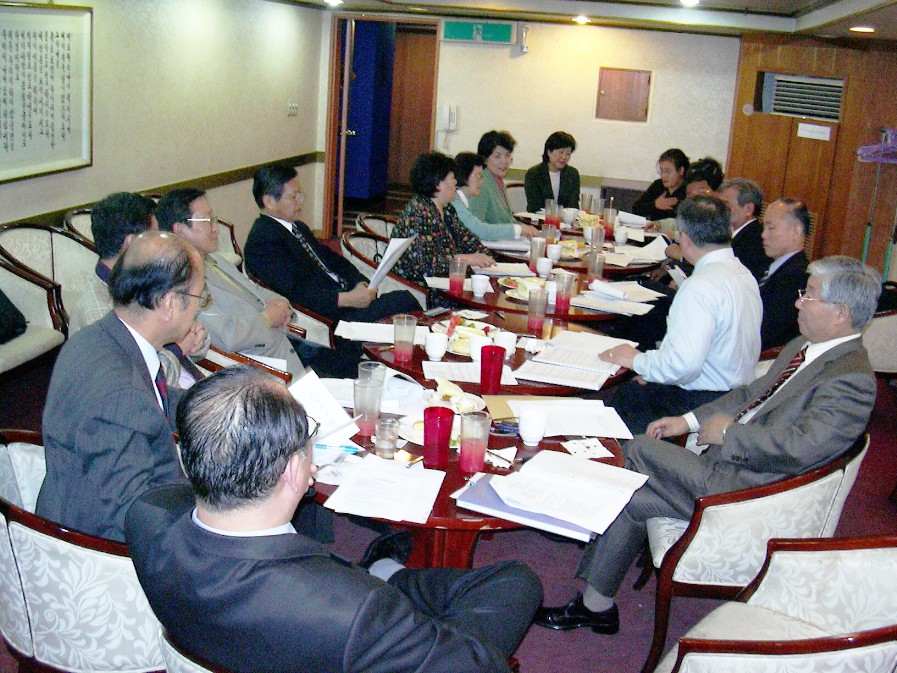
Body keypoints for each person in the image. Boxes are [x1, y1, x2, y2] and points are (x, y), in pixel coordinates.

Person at [536, 256, 880, 634]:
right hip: (733, 469)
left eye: (809, 295)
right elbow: (749, 393)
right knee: (633, 499)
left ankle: (569, 510)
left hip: (754, 492)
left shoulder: (851, 379)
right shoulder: (807, 346)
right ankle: (596, 607)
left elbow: (802, 448)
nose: (798, 302)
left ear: (840, 313)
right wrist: (686, 421)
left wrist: (729, 434)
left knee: (637, 447)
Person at [126, 366, 543, 673]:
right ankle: (397, 598)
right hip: (344, 618)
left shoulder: (147, 517)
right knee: (517, 581)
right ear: (295, 471)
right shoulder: (355, 611)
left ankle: (385, 572)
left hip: (288, 611)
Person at [36, 231, 204, 542]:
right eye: (199, 298)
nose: (199, 308)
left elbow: (156, 401)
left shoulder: (97, 338)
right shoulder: (120, 396)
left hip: (79, 499)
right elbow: (131, 520)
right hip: (107, 545)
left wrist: (220, 405)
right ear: (170, 304)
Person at [600, 195, 762, 435]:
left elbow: (683, 366)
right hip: (733, 397)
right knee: (633, 386)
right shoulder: (744, 275)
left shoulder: (700, 287)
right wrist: (652, 369)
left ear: (684, 238)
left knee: (615, 400)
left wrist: (636, 360)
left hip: (697, 401)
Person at [155, 188, 316, 381]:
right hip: (264, 370)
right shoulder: (182, 284)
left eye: (214, 219)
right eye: (207, 221)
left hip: (286, 345)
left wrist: (281, 303)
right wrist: (268, 318)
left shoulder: (213, 259)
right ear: (180, 230)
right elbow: (227, 336)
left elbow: (252, 289)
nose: (215, 228)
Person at [244, 163, 421, 326]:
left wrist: (359, 282)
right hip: (330, 318)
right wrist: (346, 299)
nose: (300, 201)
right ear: (269, 201)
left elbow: (333, 260)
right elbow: (295, 292)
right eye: (293, 197)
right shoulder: (262, 242)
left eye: (300, 195)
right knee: (404, 302)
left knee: (404, 302)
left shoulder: (297, 227)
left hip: (347, 300)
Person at [68, 192, 208, 386]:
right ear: (132, 243)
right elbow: (139, 383)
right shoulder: (97, 312)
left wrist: (197, 338)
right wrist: (178, 349)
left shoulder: (145, 280)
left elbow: (193, 340)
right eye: (154, 237)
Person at [391, 151, 495, 284]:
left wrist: (485, 256)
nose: (456, 182)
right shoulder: (420, 212)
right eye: (452, 178)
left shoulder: (447, 209)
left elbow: (468, 240)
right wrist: (466, 259)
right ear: (438, 184)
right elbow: (427, 264)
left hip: (445, 280)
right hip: (420, 286)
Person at [757, 197, 811, 350]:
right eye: (763, 227)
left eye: (771, 227)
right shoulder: (769, 265)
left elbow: (768, 332)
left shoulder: (798, 277)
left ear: (795, 231)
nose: (763, 234)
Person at [452, 152, 538, 241]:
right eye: (478, 175)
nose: (481, 181)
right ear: (464, 175)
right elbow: (481, 230)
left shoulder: (461, 201)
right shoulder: (455, 203)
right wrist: (518, 229)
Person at [717, 178, 771, 282]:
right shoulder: (729, 233)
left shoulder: (755, 242)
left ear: (748, 209)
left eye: (725, 205)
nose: (718, 210)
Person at [468, 130, 518, 224]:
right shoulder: (481, 184)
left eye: (507, 155)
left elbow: (508, 220)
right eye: (497, 156)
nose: (504, 161)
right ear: (485, 159)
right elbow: (476, 225)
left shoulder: (499, 182)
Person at [524, 131, 581, 212]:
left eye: (568, 154)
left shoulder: (572, 174)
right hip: (540, 218)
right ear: (549, 152)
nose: (564, 157)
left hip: (565, 219)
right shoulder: (534, 174)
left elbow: (573, 205)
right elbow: (534, 207)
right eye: (561, 152)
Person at [631, 148, 689, 221]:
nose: (663, 175)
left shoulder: (689, 190)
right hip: (652, 228)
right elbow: (636, 209)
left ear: (681, 170)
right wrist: (655, 205)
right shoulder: (658, 185)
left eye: (668, 171)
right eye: (661, 171)